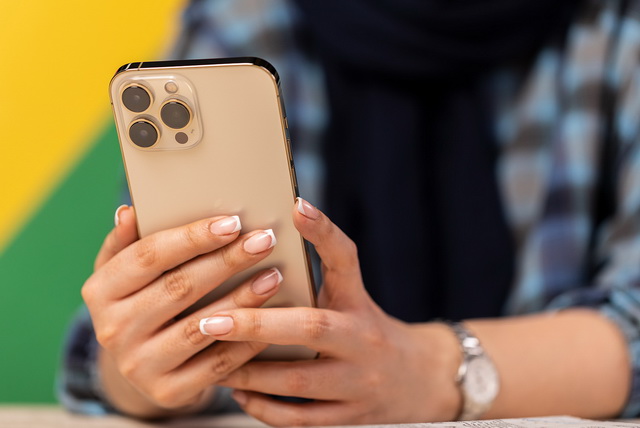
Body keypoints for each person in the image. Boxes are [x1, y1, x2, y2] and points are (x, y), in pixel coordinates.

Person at [59, 0, 640, 425]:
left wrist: (430, 370)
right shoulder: (240, 20)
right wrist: (146, 364)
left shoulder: (614, 25)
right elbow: (122, 355)